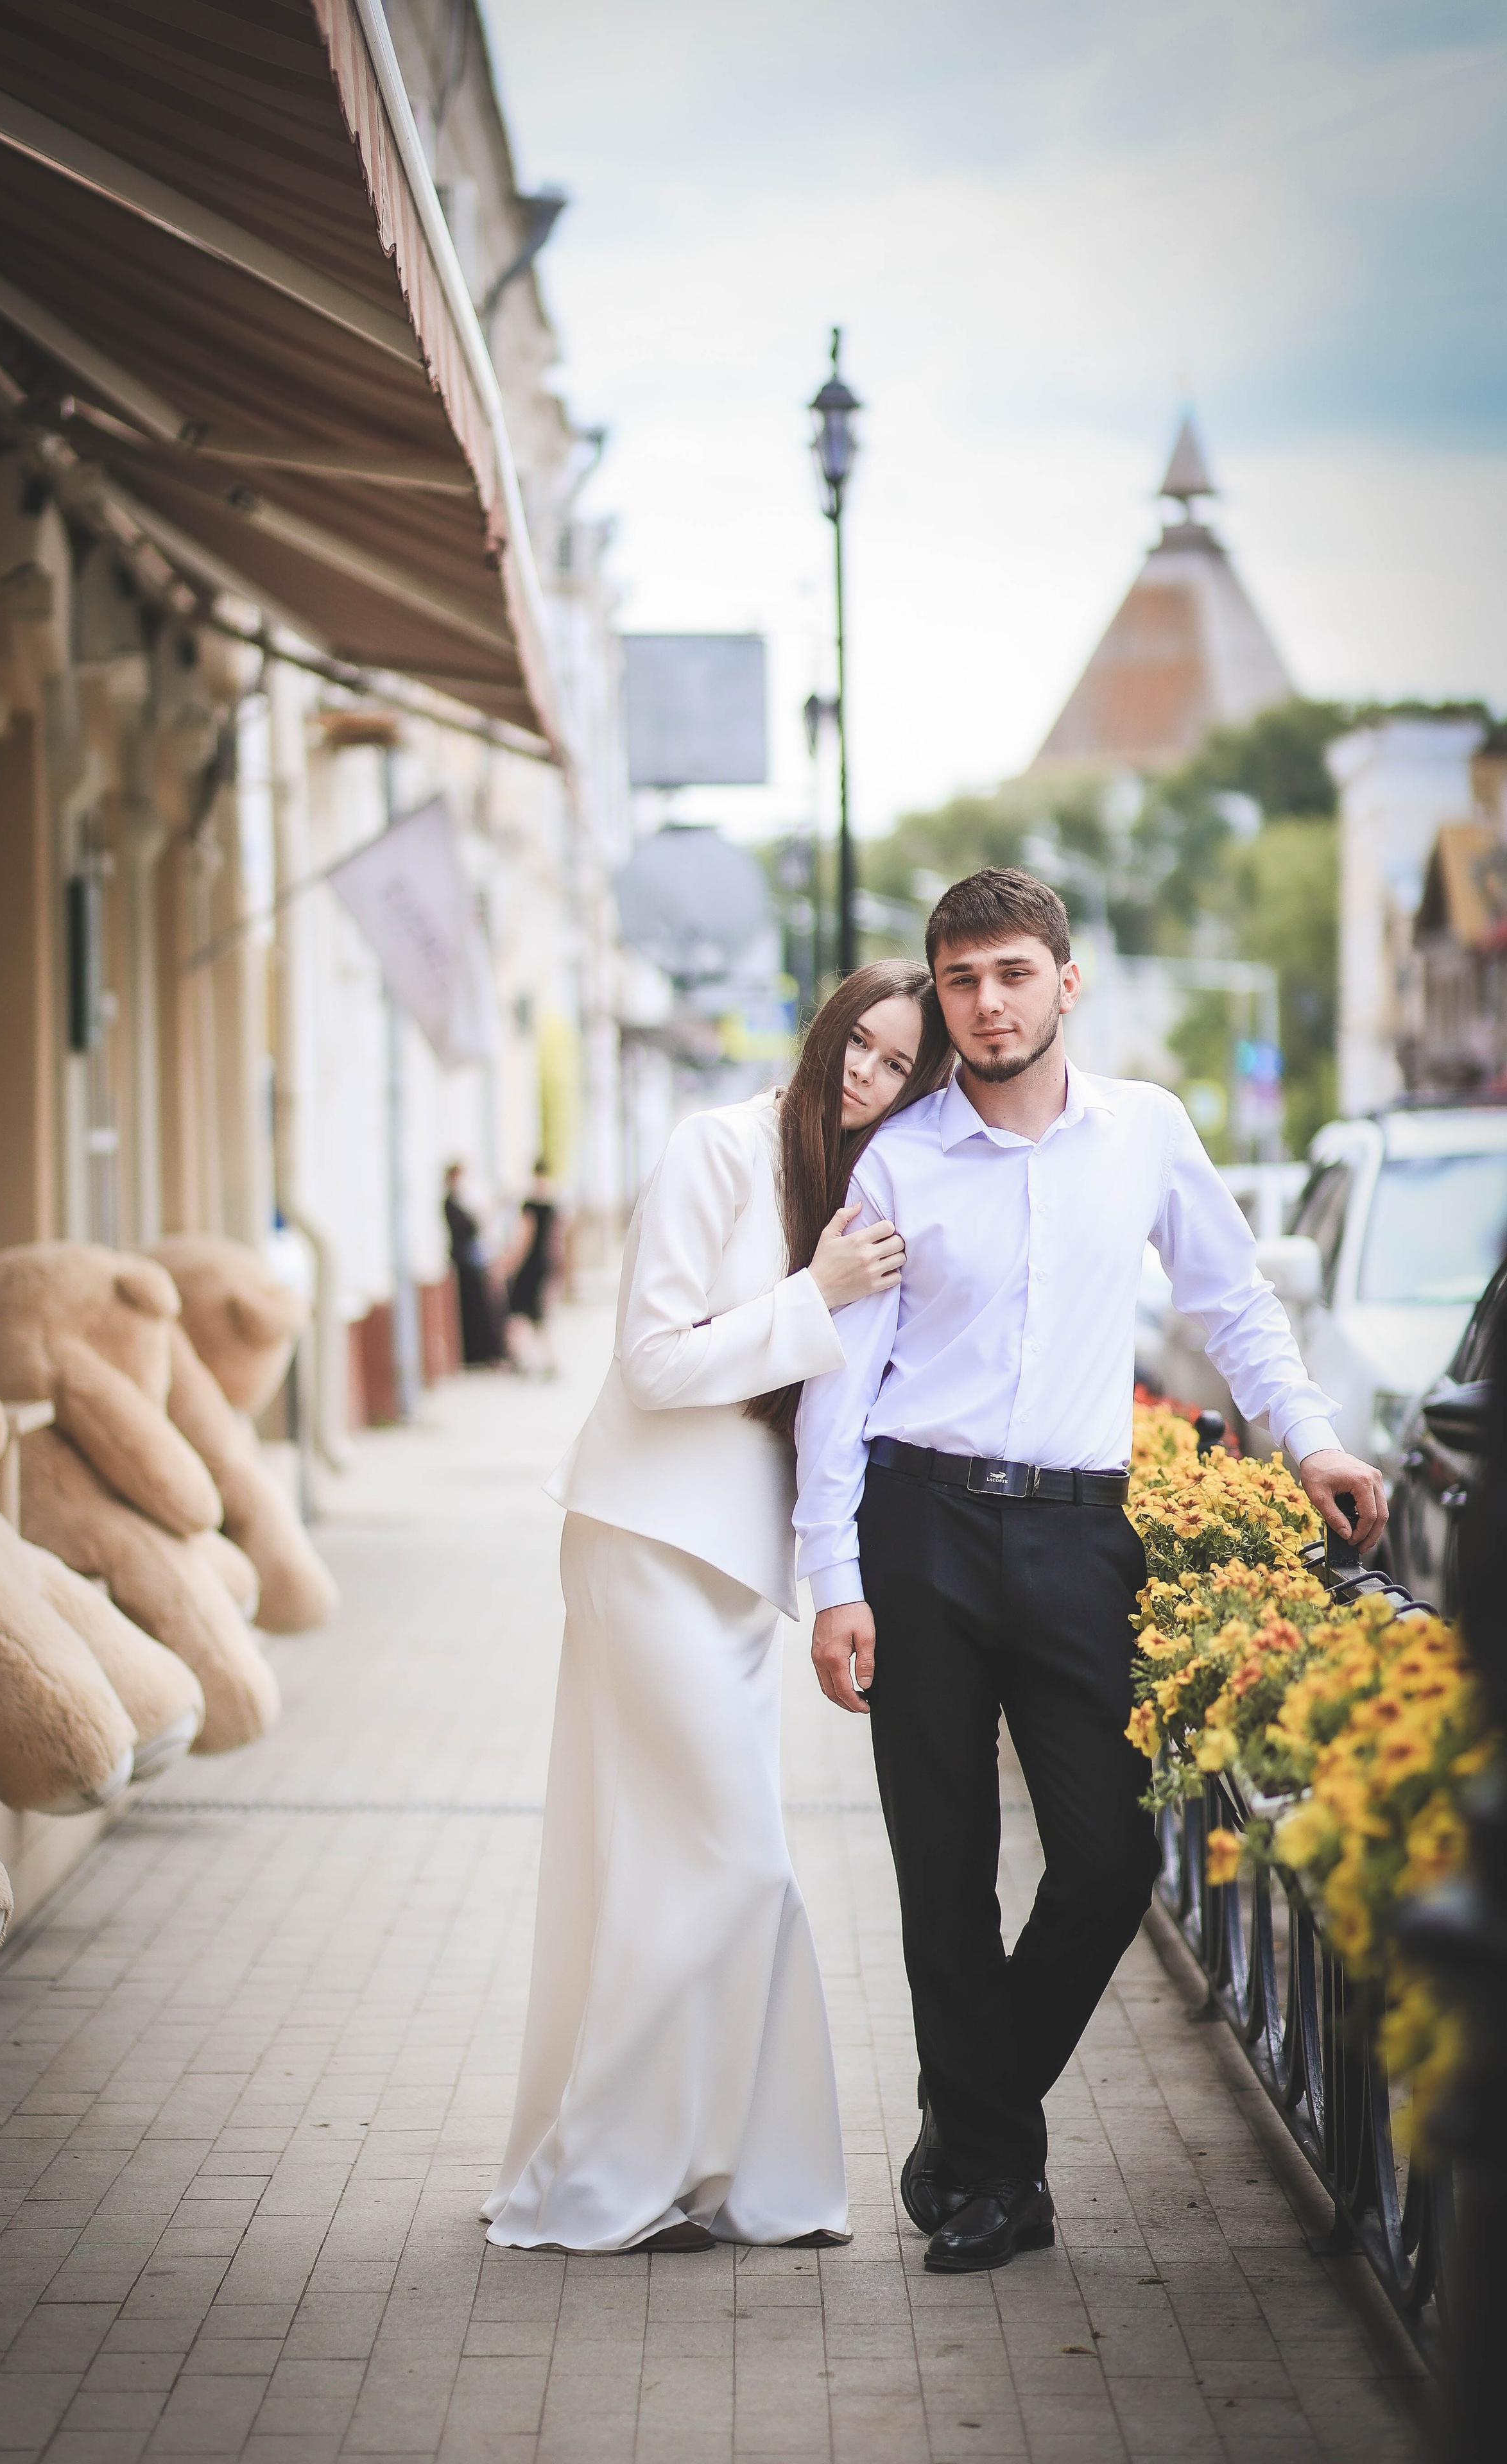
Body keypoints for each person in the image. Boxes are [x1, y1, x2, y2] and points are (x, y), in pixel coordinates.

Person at [795, 868, 1386, 2277]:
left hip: (1078, 1536)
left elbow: (1230, 1302)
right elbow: (841, 1380)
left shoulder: (1144, 1134)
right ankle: (998, 2179)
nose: (983, 1003)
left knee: (1109, 1859)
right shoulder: (903, 1162)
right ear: (937, 999)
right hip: (916, 1527)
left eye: (1009, 973)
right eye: (958, 981)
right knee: (940, 1877)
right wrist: (832, 1578)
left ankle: (964, 2125)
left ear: (1065, 983)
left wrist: (1309, 1445)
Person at [484, 961, 952, 2254]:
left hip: (742, 1566)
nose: (864, 1076)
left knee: (676, 1863)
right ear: (823, 1035)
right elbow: (650, 1356)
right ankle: (602, 2188)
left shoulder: (862, 1192)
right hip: (644, 1538)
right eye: (855, 1046)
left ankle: (741, 2180)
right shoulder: (718, 1146)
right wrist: (815, 1296)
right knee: (730, 1861)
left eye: (895, 1066)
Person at [504, 1161, 562, 1376]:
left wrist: (509, 1264)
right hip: (544, 1263)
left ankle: (525, 1361)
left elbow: (524, 1239)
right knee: (540, 1315)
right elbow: (556, 1241)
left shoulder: (530, 1204)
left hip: (529, 1266)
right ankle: (550, 1361)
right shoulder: (554, 1204)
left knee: (518, 1313)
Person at [444, 1162, 503, 1368]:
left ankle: (487, 1352)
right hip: (464, 1266)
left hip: (473, 1264)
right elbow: (467, 1229)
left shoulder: (462, 1203)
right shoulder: (450, 1204)